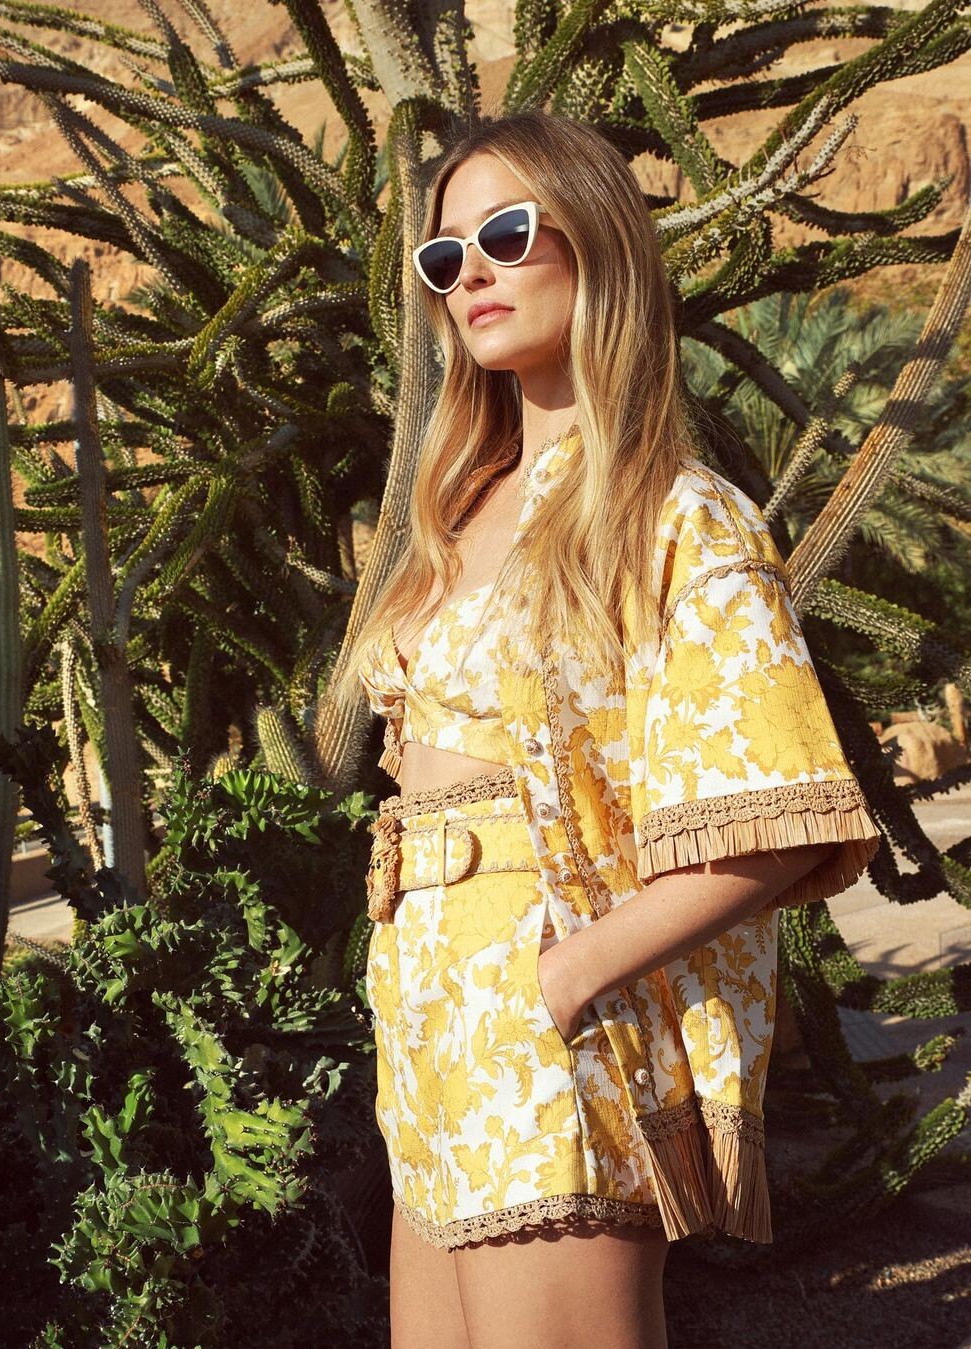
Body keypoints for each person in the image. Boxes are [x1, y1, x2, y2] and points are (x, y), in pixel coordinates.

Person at [326, 109, 880, 1349]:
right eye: (444, 255)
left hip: (548, 1008)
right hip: (427, 1012)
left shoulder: (678, 515)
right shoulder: (455, 511)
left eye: (508, 235)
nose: (471, 272)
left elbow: (783, 819)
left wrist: (561, 979)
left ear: (599, 241)